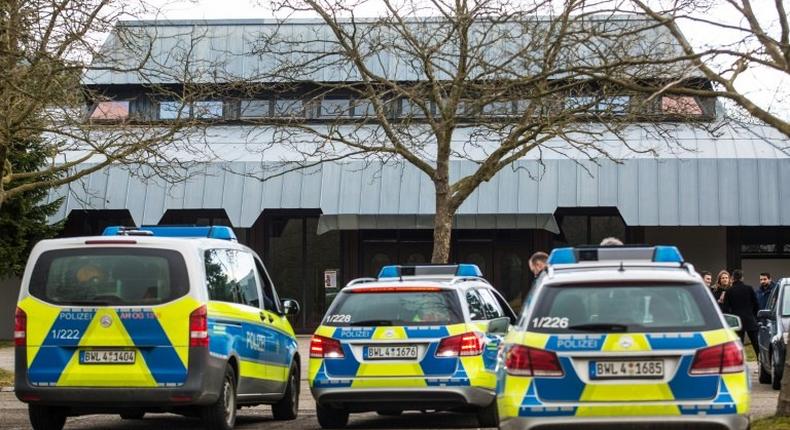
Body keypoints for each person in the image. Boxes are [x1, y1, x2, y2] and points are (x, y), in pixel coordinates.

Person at [723, 269, 760, 358]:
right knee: (756, 344)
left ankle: (739, 364)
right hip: (750, 319)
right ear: (742, 278)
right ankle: (761, 363)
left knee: (738, 345)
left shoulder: (729, 291)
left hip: (737, 321)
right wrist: (754, 316)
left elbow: (726, 308)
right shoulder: (749, 288)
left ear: (732, 278)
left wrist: (731, 319)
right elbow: (756, 304)